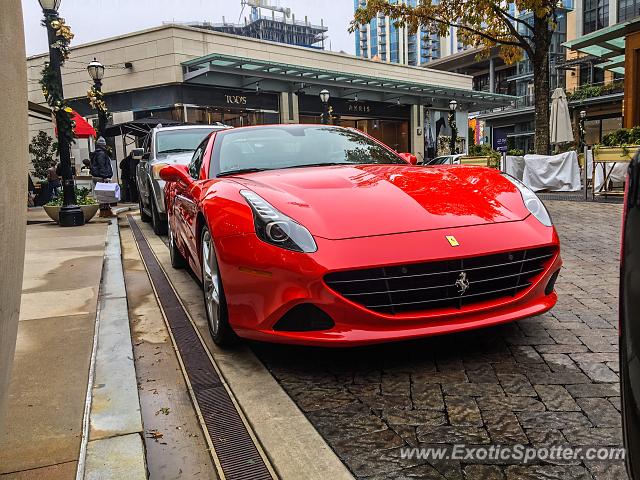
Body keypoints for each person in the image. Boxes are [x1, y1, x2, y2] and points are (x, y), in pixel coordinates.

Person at [90, 137, 114, 218]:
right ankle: (105, 212)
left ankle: (105, 212)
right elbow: (102, 166)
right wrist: (105, 177)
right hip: (101, 177)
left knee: (102, 195)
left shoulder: (97, 153)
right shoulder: (101, 153)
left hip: (98, 176)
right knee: (104, 196)